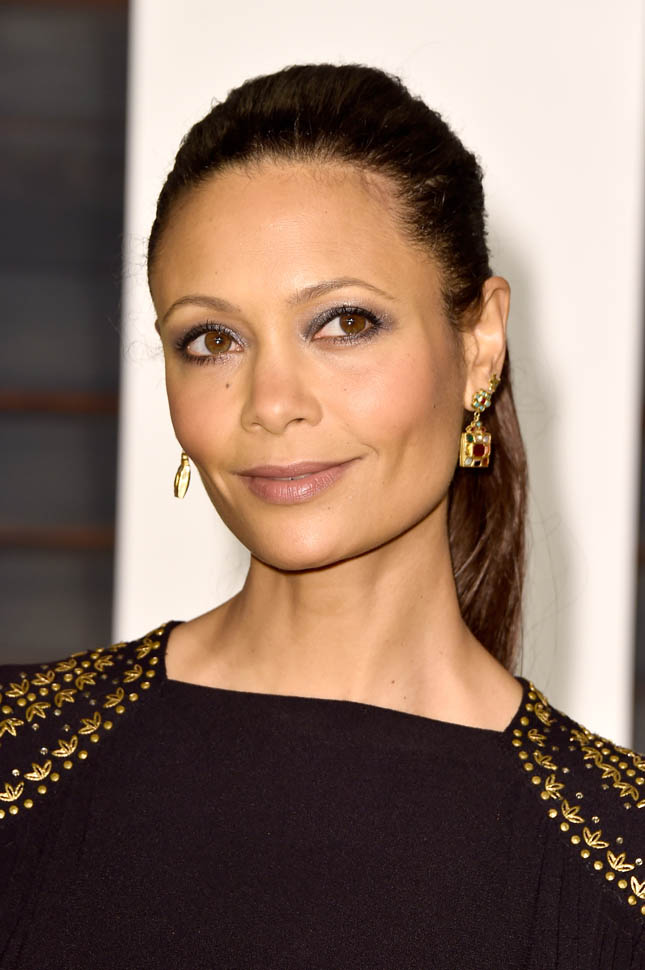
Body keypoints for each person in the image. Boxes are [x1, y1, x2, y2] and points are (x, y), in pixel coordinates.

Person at [0, 63, 643, 969]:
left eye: (343, 324)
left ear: (479, 342)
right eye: (212, 340)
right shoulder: (20, 758)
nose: (271, 403)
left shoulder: (618, 869)